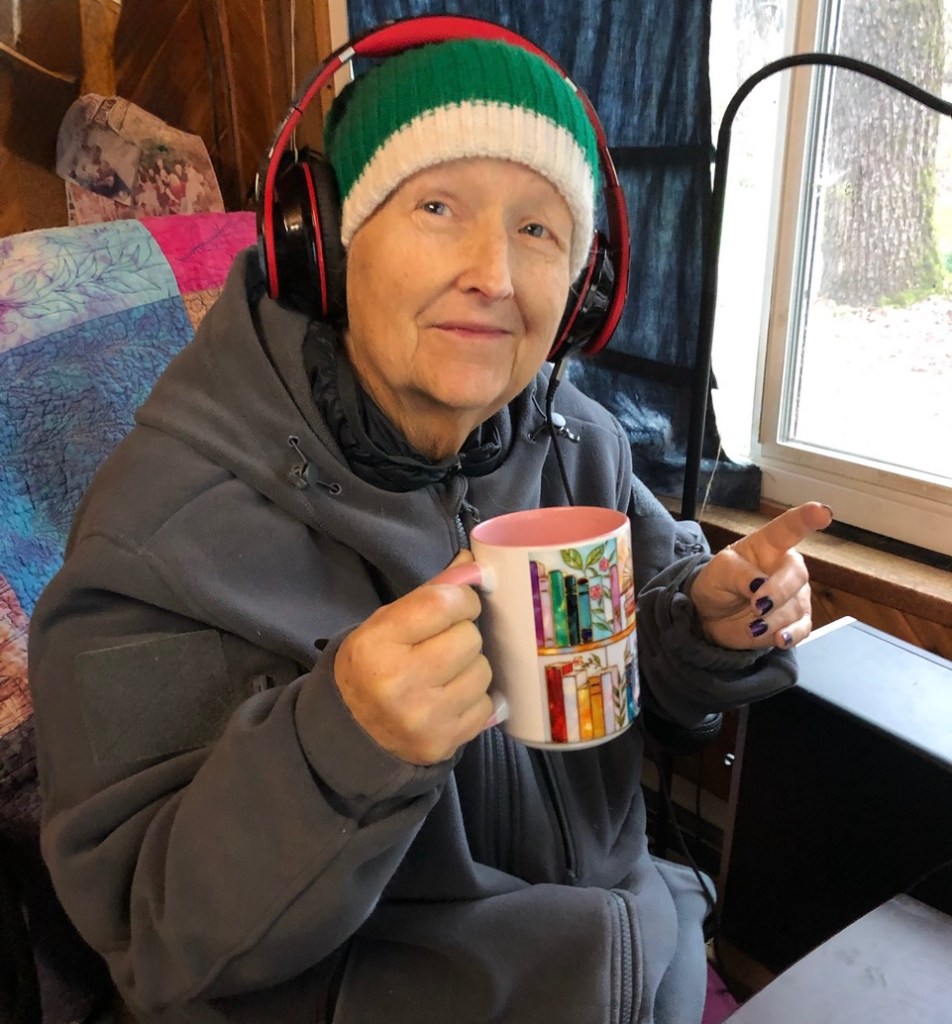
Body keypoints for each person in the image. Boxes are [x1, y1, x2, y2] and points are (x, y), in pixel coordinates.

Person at [28, 27, 831, 1024]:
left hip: (636, 956)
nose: (493, 273)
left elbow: (635, 678)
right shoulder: (164, 529)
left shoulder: (581, 440)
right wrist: (339, 747)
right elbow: (155, 942)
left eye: (538, 230)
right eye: (438, 207)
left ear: (583, 287)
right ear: (320, 242)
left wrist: (698, 626)